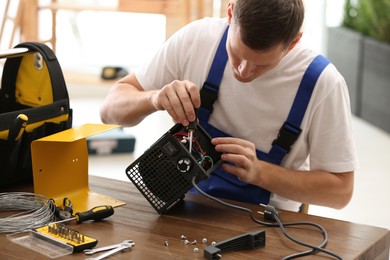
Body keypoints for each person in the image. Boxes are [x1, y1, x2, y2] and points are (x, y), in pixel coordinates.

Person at [100, 0, 358, 212]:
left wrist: (261, 173)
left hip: (269, 225)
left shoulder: (322, 84)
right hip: (180, 206)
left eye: (262, 65)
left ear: (293, 43)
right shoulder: (197, 39)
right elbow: (110, 110)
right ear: (230, 12)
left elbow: (340, 192)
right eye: (237, 53)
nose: (244, 72)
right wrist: (154, 99)